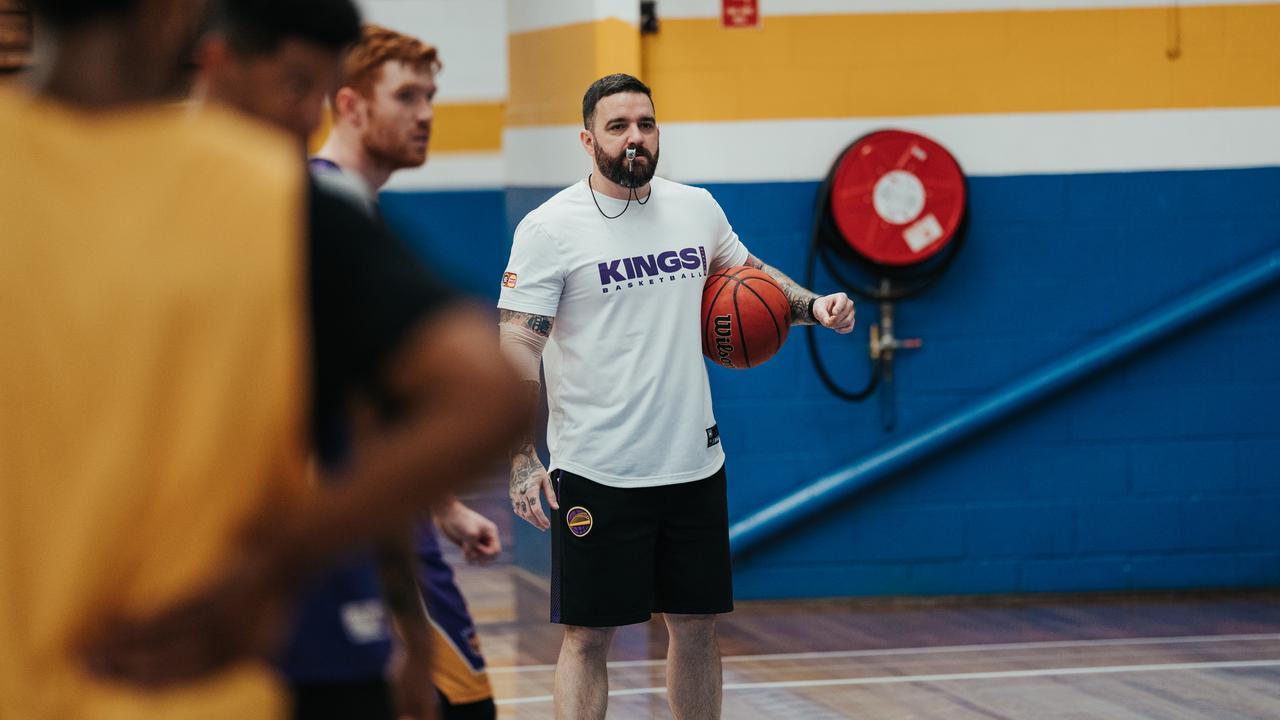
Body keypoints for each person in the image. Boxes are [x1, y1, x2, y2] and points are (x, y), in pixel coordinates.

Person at [0, 1, 529, 719]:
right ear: (180, 20)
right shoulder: (264, 195)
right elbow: (490, 397)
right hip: (200, 690)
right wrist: (271, 568)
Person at [497, 73, 856, 720]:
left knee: (696, 626)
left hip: (694, 463)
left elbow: (748, 278)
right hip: (596, 468)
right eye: (618, 126)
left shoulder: (695, 207)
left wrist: (813, 306)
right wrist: (522, 457)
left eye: (646, 124)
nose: (635, 138)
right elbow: (517, 347)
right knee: (587, 637)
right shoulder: (549, 229)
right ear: (587, 139)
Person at [312, 24, 502, 720]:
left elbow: (371, 402)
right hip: (353, 557)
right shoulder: (321, 208)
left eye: (431, 96)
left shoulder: (356, 210)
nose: (425, 113)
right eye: (406, 95)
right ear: (351, 106)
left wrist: (445, 507)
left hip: (395, 540)